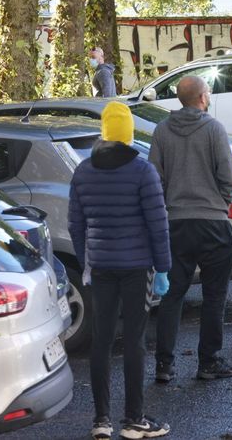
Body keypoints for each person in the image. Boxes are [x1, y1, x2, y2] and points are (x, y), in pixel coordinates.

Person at [68, 101, 171, 439]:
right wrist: (164, 269)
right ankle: (134, 419)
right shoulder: (142, 171)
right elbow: (158, 225)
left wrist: (87, 262)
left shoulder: (83, 171)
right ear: (128, 132)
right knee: (134, 341)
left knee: (101, 341)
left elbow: (76, 224)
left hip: (101, 267)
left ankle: (101, 419)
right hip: (137, 267)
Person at [149, 76, 232, 383]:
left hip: (175, 223)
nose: (210, 95)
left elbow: (155, 179)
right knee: (215, 295)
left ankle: (164, 364)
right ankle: (208, 361)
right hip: (213, 221)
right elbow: (228, 175)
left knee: (172, 296)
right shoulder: (213, 128)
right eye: (209, 92)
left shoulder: (161, 130)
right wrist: (222, 202)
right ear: (202, 97)